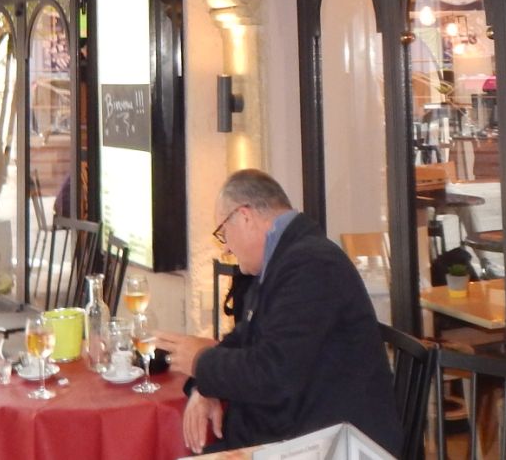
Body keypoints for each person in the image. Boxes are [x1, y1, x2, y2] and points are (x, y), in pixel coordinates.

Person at [163, 169, 399, 454]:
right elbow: (242, 340)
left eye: (223, 233)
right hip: (299, 433)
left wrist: (200, 362)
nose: (226, 248)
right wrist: (204, 385)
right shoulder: (286, 258)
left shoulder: (311, 266)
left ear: (245, 217)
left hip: (331, 443)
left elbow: (273, 376)